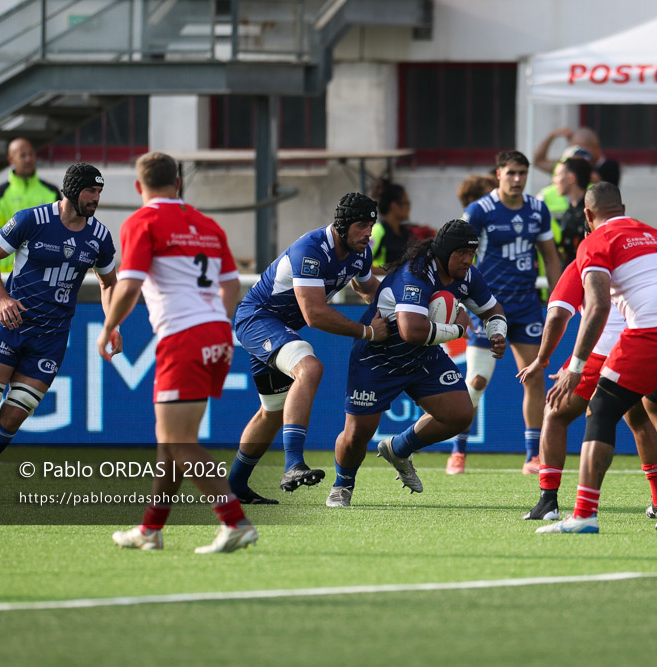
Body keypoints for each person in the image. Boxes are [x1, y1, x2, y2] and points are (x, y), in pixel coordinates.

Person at [99, 151, 257, 553]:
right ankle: (150, 530)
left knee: (179, 441)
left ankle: (234, 521)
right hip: (218, 335)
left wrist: (109, 327)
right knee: (171, 441)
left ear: (139, 187)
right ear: (179, 182)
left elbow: (129, 286)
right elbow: (231, 283)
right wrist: (214, 322)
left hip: (183, 338)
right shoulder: (206, 224)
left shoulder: (142, 220)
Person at [538, 182, 657, 534]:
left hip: (654, 329)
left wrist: (574, 366)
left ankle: (584, 514)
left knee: (601, 410)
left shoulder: (595, 241)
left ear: (588, 215)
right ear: (623, 207)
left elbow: (598, 305)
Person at [0, 163, 118, 500]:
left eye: (99, 193)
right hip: (11, 326)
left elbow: (109, 283)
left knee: (13, 416)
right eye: (90, 191)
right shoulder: (31, 221)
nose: (96, 199)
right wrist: (1, 297)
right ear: (71, 189)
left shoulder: (99, 237)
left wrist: (112, 324)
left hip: (50, 339)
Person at [326, 220, 507, 506]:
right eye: (460, 253)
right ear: (444, 251)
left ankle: (399, 448)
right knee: (357, 434)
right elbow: (412, 331)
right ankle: (342, 486)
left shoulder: (468, 275)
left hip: (423, 356)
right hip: (379, 357)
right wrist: (459, 330)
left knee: (460, 414)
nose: (467, 260)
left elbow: (492, 309)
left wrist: (497, 332)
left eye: (471, 253)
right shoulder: (416, 273)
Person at [229, 193, 389, 499]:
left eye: (371, 224)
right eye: (361, 225)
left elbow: (369, 288)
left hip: (279, 327)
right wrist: (368, 331)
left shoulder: (360, 252)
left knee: (273, 411)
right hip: (258, 319)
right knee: (310, 367)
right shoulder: (311, 249)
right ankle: (293, 464)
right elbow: (314, 315)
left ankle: (235, 485)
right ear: (341, 225)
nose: (368, 232)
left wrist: (403, 307)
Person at [517, 261, 657, 522]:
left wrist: (542, 359)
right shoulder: (641, 256)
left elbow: (557, 314)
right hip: (641, 347)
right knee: (640, 419)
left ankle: (549, 503)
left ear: (589, 218)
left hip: (600, 351)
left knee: (555, 414)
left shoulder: (585, 259)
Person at [446, 150, 562, 475]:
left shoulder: (538, 210)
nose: (517, 179)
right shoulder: (480, 211)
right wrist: (458, 301)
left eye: (522, 173)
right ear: (498, 174)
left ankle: (532, 456)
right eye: (511, 172)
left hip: (526, 307)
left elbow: (550, 257)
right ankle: (458, 450)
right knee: (477, 381)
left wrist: (557, 300)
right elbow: (455, 254)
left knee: (534, 378)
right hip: (487, 309)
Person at [0, 138, 61, 274]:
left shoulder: (51, 191)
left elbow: (62, 227)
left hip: (44, 272)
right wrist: (18, 241)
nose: (28, 159)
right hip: (8, 275)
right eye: (23, 155)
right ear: (11, 159)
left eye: (31, 154)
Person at [550, 156, 592, 267]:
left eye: (557, 175)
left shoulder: (590, 214)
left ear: (571, 177)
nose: (553, 180)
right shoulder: (571, 210)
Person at [369, 179, 414, 275]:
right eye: (406, 203)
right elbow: (361, 266)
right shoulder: (378, 230)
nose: (408, 208)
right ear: (394, 206)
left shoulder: (404, 232)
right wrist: (392, 271)